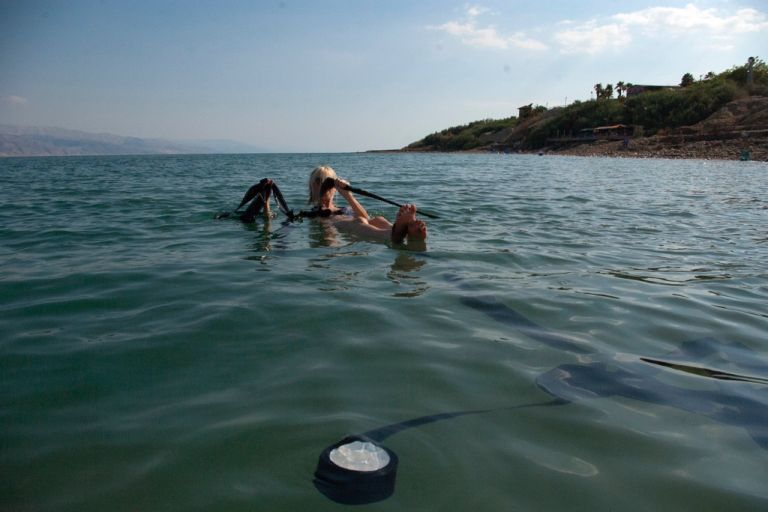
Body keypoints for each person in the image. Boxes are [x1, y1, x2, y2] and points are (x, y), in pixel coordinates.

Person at [307, 165, 427, 244]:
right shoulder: (314, 212)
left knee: (378, 219)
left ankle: (407, 234)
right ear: (311, 187)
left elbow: (366, 217)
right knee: (358, 221)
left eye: (327, 182)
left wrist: (348, 195)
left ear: (334, 187)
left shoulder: (344, 209)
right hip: (342, 227)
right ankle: (395, 234)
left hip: (358, 225)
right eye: (317, 181)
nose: (321, 185)